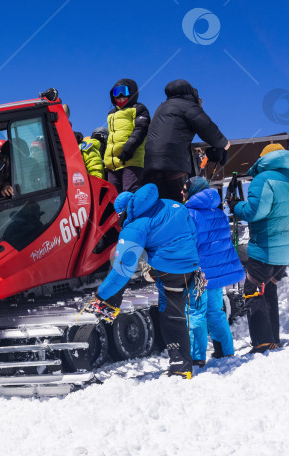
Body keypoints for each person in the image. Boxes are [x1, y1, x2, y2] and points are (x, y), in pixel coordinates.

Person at [88, 183, 201, 378]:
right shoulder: (170, 204)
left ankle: (181, 366)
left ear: (124, 212)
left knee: (171, 315)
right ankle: (181, 364)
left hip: (169, 269)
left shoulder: (135, 226)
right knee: (176, 312)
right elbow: (193, 232)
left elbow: (123, 269)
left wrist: (101, 293)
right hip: (187, 266)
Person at [230, 143, 289, 354]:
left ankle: (262, 342)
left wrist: (235, 206)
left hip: (266, 247)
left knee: (252, 290)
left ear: (264, 159)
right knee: (269, 289)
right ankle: (273, 340)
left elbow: (254, 211)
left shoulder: (263, 179)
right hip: (288, 250)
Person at [183, 177, 245, 365]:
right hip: (217, 274)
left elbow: (189, 245)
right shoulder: (219, 213)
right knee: (215, 312)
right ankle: (226, 351)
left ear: (193, 192)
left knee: (196, 314)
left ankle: (197, 357)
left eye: (185, 189)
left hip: (199, 274)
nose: (182, 193)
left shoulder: (188, 214)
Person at [145, 79, 229, 201]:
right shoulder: (188, 106)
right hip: (173, 165)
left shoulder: (162, 108)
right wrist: (224, 144)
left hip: (150, 164)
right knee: (179, 203)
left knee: (160, 205)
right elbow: (207, 128)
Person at [104, 79, 150, 193]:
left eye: (123, 91)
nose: (120, 96)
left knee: (130, 191)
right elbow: (112, 137)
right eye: (116, 92)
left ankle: (133, 211)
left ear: (132, 92)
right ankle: (118, 212)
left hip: (131, 159)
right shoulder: (111, 114)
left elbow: (141, 129)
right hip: (113, 163)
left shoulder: (138, 108)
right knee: (113, 194)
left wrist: (129, 149)